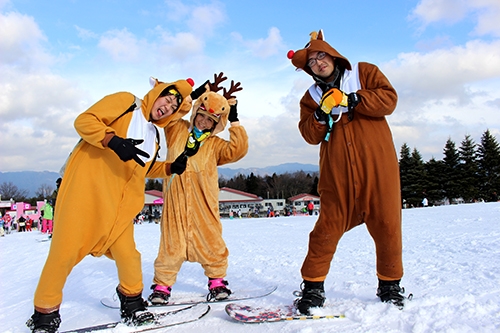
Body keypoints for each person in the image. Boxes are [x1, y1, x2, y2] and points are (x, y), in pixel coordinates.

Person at [26, 77, 194, 333]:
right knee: (63, 254)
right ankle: (44, 315)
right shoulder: (127, 103)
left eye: (174, 107)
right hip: (85, 197)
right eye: (167, 99)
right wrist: (112, 141)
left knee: (129, 256)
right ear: (157, 93)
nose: (168, 107)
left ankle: (132, 303)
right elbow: (84, 121)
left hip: (119, 209)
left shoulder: (155, 136)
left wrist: (170, 167)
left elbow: (144, 168)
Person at [287, 30, 408, 314]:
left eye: (321, 55)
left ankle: (390, 285)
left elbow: (389, 99)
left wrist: (353, 100)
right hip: (337, 178)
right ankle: (313, 288)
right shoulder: (311, 96)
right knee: (324, 232)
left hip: (379, 172)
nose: (318, 63)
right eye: (312, 62)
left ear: (332, 54)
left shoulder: (363, 73)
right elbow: (308, 134)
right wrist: (319, 115)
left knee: (388, 228)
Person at [149, 74, 248, 305]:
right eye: (201, 116)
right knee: (170, 245)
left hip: (204, 204)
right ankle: (162, 285)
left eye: (210, 120)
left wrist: (234, 119)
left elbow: (238, 149)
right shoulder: (177, 130)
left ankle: (217, 281)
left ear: (216, 124)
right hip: (175, 203)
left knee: (211, 242)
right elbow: (173, 114)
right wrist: (195, 94)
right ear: (195, 114)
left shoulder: (215, 145)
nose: (204, 122)